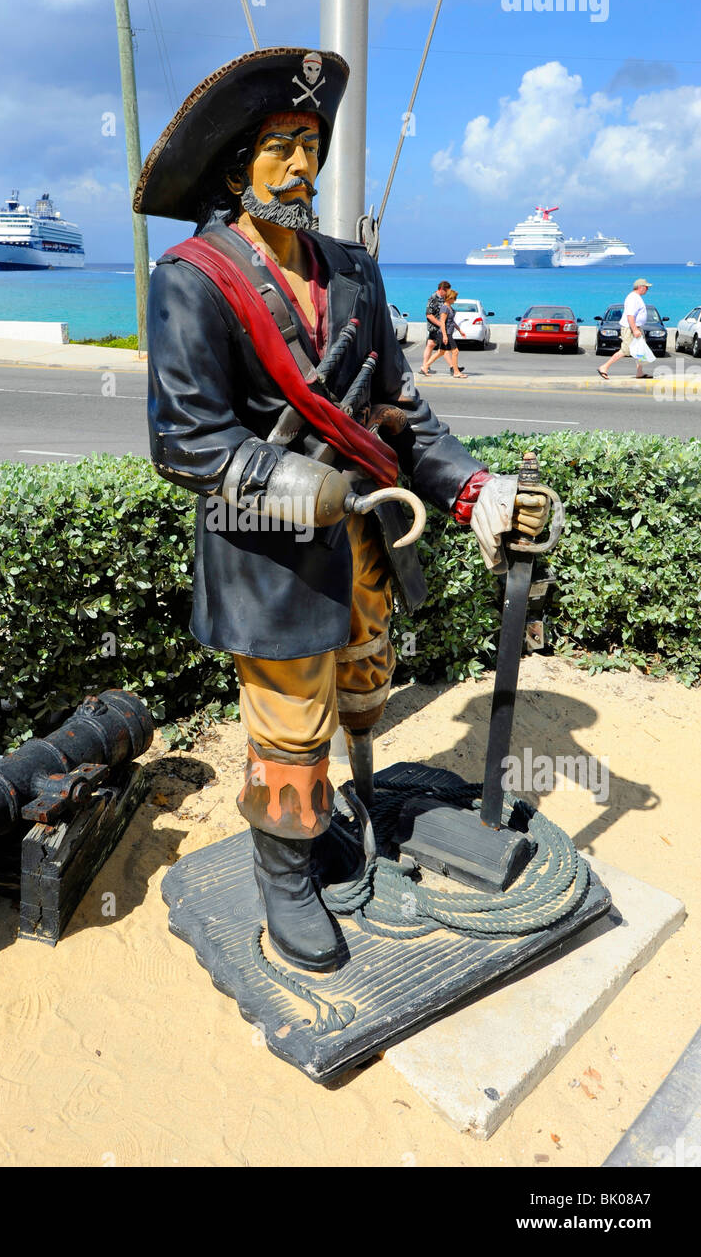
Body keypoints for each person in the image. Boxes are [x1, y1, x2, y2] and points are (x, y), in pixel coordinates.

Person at [138, 47, 550, 972]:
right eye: (279, 145)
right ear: (234, 165)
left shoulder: (355, 272)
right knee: (288, 728)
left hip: (367, 537)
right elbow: (186, 442)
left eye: (310, 144)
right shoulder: (192, 280)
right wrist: (310, 489)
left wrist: (477, 492)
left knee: (365, 683)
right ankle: (284, 873)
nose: (301, 166)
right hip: (266, 557)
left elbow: (402, 417)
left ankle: (343, 814)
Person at [598, 277, 654, 380]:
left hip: (636, 327)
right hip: (630, 328)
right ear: (640, 287)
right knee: (625, 350)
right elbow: (630, 315)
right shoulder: (633, 298)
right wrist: (635, 329)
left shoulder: (636, 297)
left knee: (640, 350)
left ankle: (639, 372)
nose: (647, 289)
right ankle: (604, 367)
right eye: (646, 287)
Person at [427, 288, 468, 378]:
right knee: (455, 351)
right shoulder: (445, 307)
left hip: (447, 333)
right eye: (454, 298)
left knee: (441, 352)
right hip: (445, 334)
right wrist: (445, 336)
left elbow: (451, 321)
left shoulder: (449, 307)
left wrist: (460, 330)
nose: (455, 300)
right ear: (449, 298)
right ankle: (456, 372)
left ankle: (425, 367)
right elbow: (442, 322)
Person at [420, 280, 450, 376]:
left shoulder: (443, 298)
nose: (447, 293)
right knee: (444, 347)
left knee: (430, 345)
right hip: (435, 327)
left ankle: (425, 366)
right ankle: (453, 367)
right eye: (446, 291)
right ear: (441, 289)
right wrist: (440, 324)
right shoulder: (433, 298)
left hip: (440, 327)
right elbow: (429, 315)